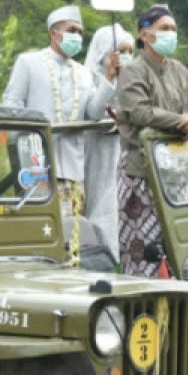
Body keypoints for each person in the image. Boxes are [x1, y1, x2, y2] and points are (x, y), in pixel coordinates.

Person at [117, 4, 188, 276]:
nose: (171, 33)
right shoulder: (132, 71)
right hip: (140, 169)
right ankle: (139, 304)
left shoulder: (180, 70)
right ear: (145, 35)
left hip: (177, 169)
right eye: (164, 29)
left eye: (173, 29)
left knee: (178, 239)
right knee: (142, 247)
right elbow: (139, 111)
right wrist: (181, 122)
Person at [3, 5, 119, 220]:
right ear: (54, 34)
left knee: (73, 235)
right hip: (35, 168)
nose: (77, 36)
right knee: (41, 228)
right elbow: (12, 105)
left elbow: (93, 112)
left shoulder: (84, 73)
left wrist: (109, 78)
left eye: (80, 32)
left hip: (73, 170)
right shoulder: (28, 63)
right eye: (72, 30)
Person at [81, 23, 134, 257]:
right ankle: (105, 256)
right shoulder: (87, 79)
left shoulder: (131, 80)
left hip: (124, 156)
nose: (127, 56)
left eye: (131, 51)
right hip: (98, 154)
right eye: (121, 50)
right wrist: (109, 79)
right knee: (102, 206)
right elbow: (94, 112)